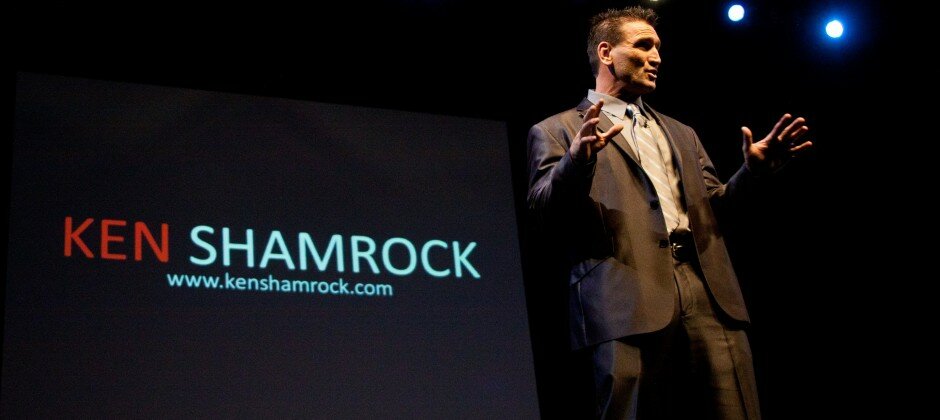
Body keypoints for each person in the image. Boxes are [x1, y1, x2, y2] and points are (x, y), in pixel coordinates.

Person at [526, 6, 812, 420]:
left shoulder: (681, 132)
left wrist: (751, 174)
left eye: (658, 47)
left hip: (708, 291)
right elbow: (542, 212)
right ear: (606, 53)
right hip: (624, 292)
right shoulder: (556, 130)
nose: (657, 57)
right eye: (643, 46)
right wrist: (576, 162)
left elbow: (715, 211)